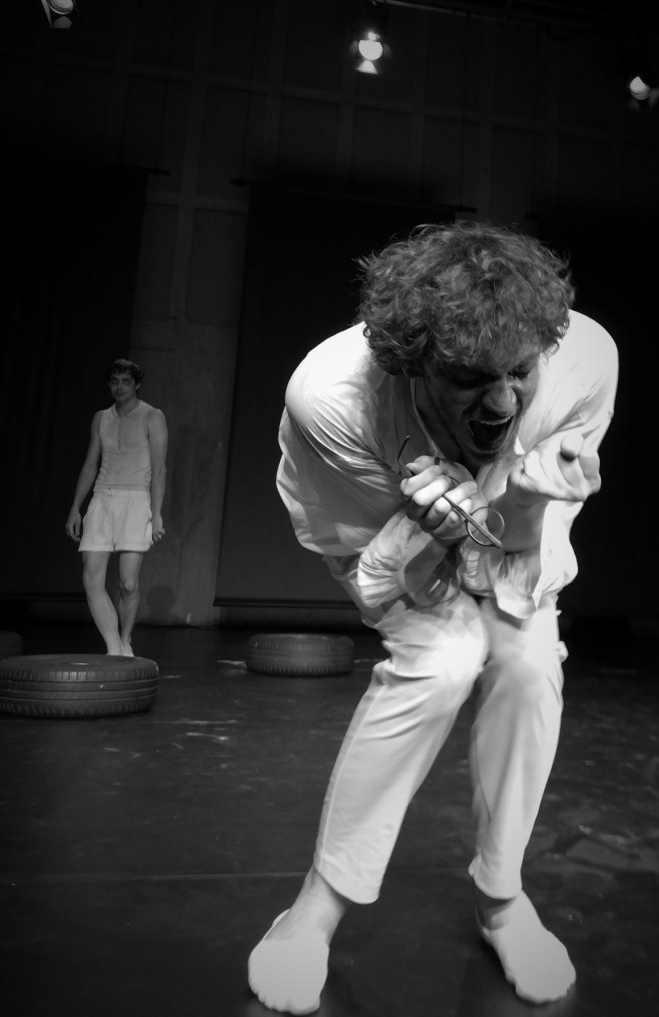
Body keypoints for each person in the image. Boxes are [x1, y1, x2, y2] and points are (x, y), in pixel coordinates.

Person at [248, 221, 618, 1013]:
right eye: (469, 378)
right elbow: (386, 582)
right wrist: (449, 515)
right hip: (380, 532)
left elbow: (512, 557)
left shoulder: (584, 362)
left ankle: (501, 900)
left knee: (527, 664)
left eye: (519, 373)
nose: (504, 402)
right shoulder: (334, 399)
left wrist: (522, 498)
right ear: (411, 362)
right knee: (441, 661)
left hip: (510, 533)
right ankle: (313, 909)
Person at [65, 359, 167, 657]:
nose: (119, 387)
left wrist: (157, 514)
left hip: (136, 500)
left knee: (128, 583)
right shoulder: (101, 418)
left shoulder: (153, 416)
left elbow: (159, 470)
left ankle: (125, 639)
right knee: (91, 577)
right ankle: (114, 647)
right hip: (102, 497)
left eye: (125, 381)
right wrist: (76, 506)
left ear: (137, 384)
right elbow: (90, 464)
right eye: (114, 381)